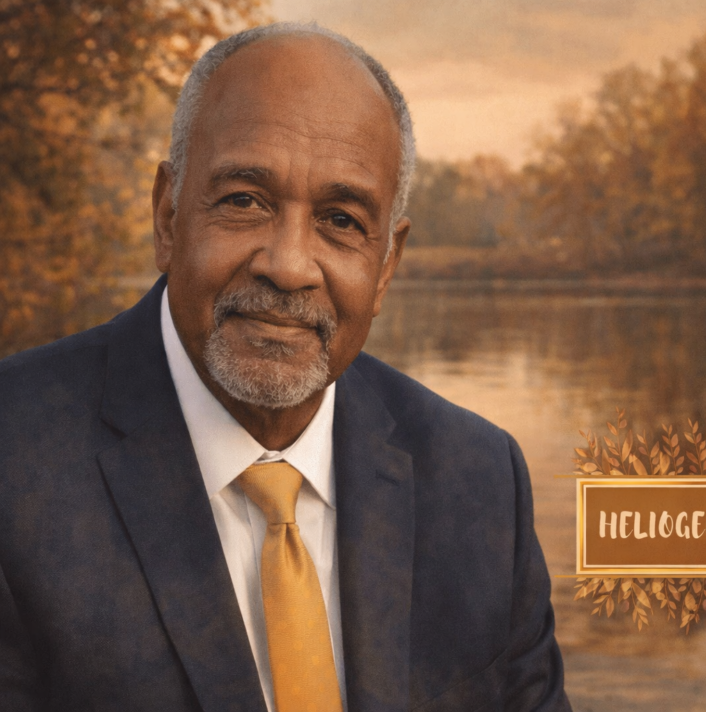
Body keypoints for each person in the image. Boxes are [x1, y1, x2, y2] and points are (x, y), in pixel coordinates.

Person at [0, 22, 569, 712]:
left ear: (386, 265)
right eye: (244, 200)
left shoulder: (480, 482)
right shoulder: (17, 461)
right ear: (167, 215)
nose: (290, 264)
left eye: (341, 219)